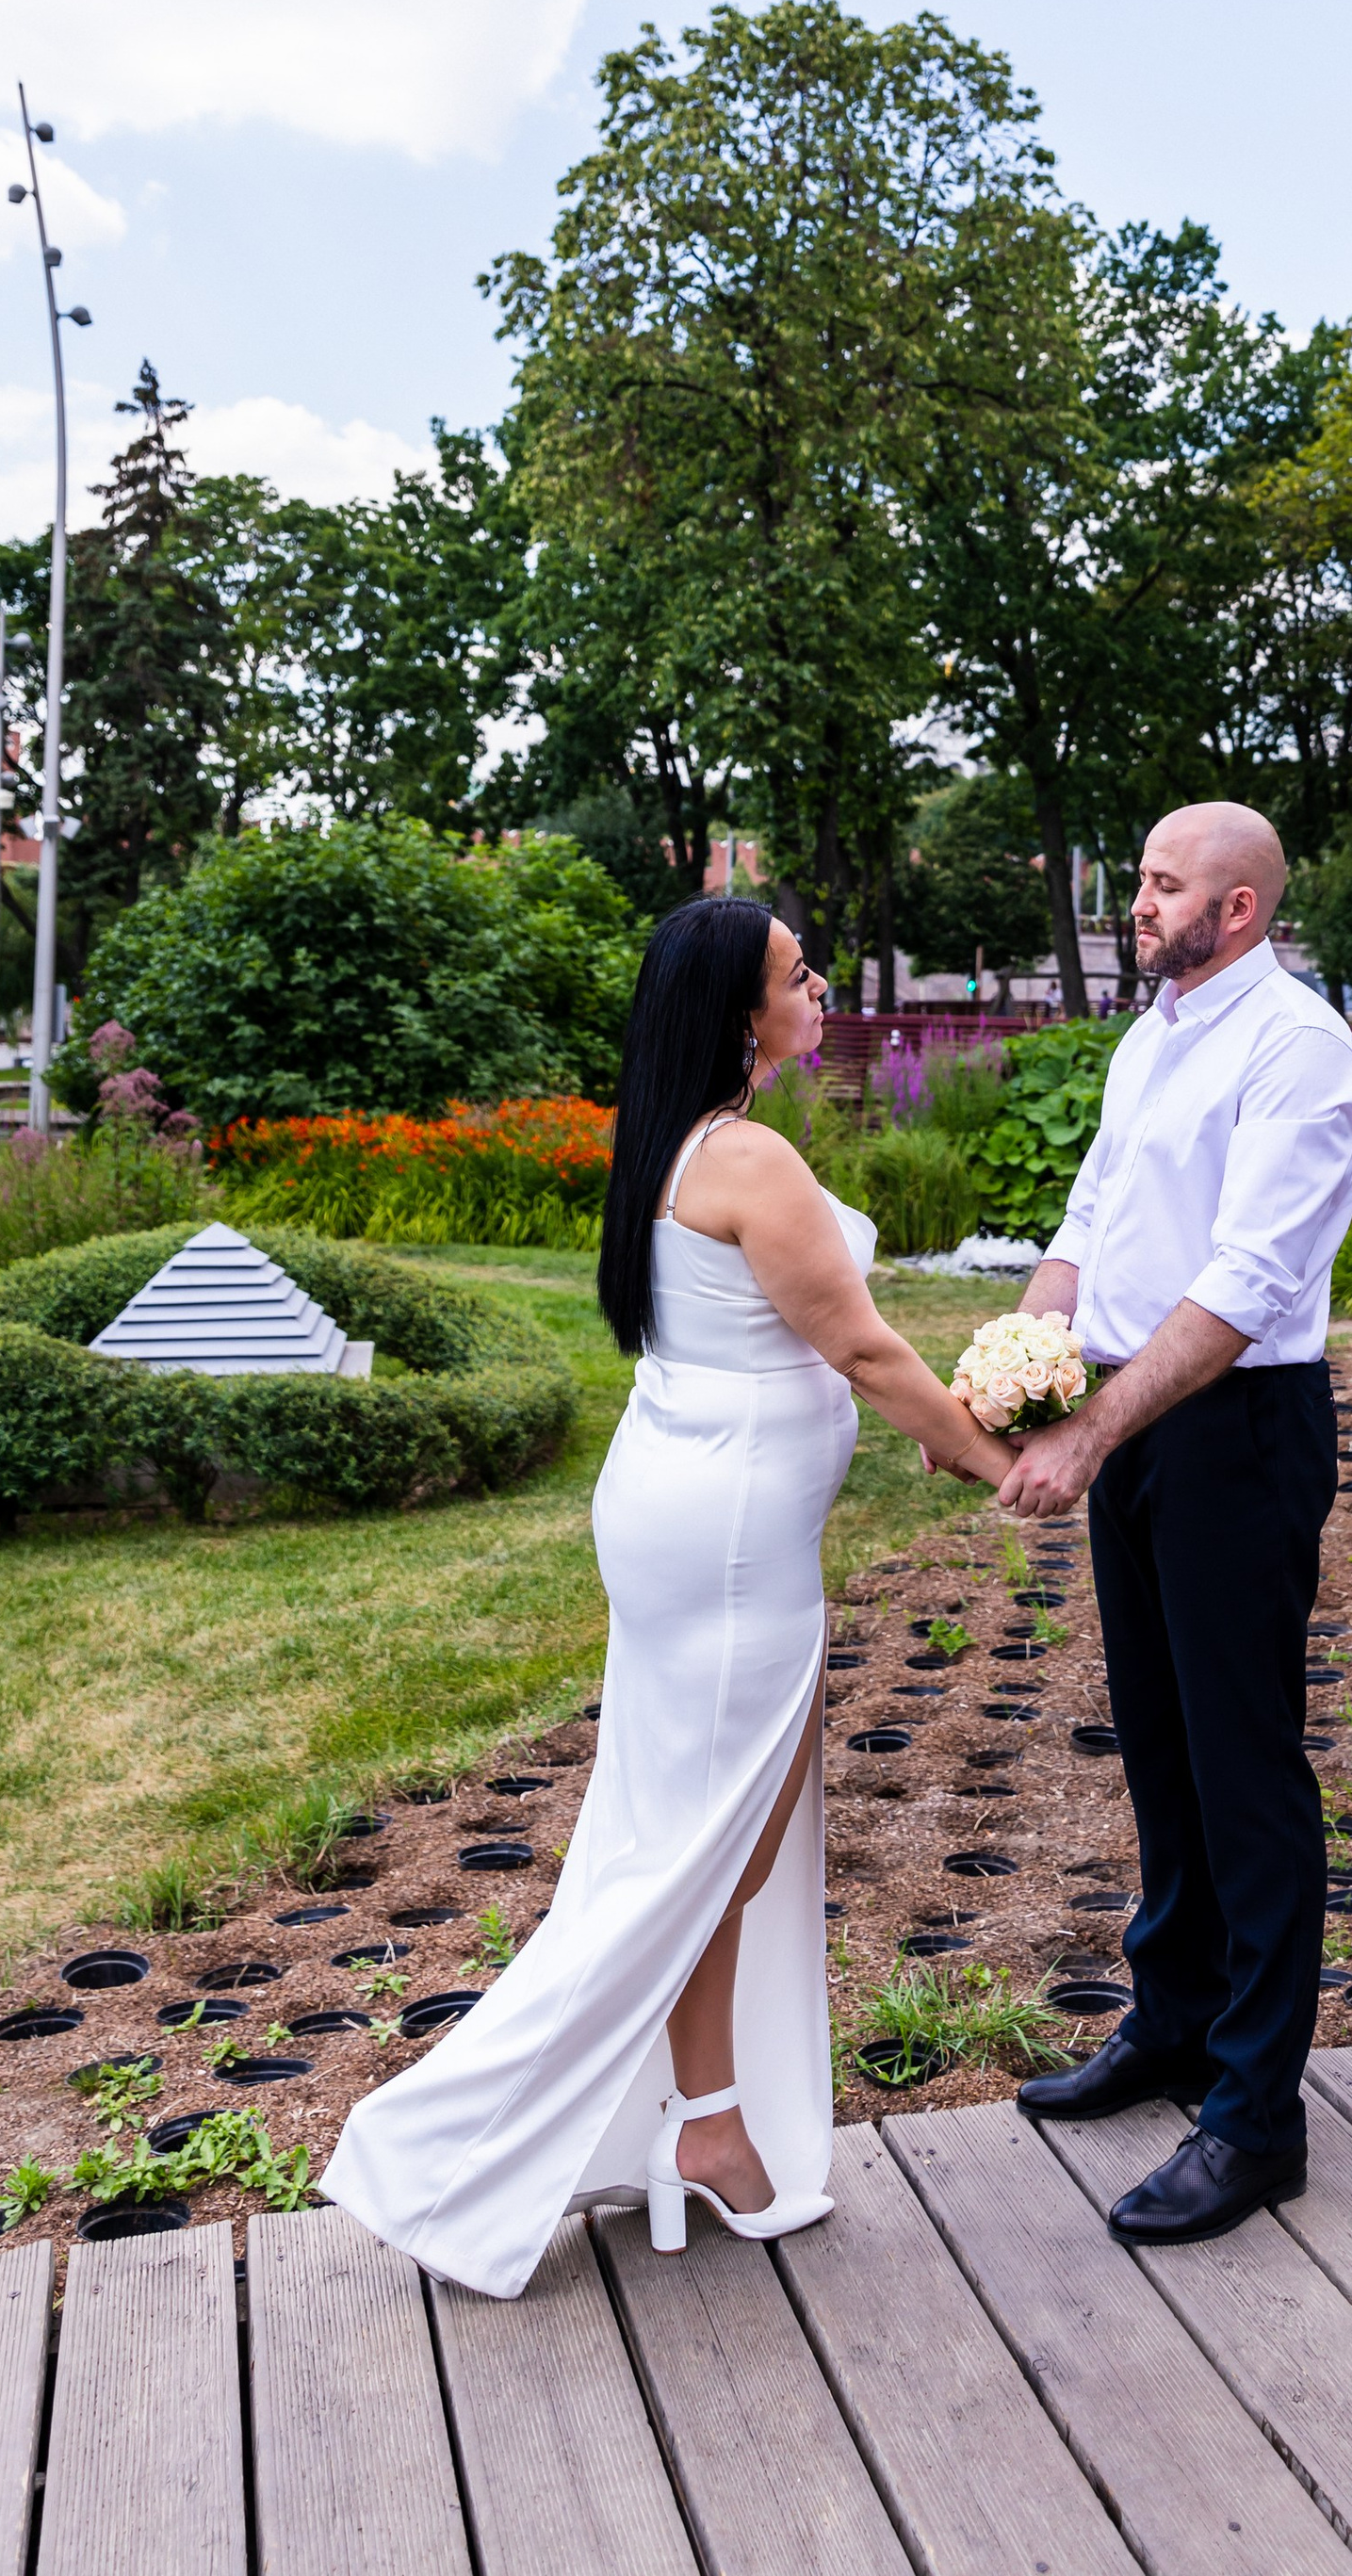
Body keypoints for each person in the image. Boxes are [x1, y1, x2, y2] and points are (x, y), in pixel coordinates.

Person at [322, 896, 1010, 2298]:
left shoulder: (686, 1139)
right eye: (795, 974)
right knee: (696, 1853)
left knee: (711, 1845)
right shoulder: (743, 1154)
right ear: (739, 1016)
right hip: (730, 1540)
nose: (817, 988)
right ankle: (435, 2149)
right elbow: (869, 1350)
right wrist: (996, 1452)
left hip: (698, 1515)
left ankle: (708, 2127)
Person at [999, 802, 1352, 2243]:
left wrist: (1098, 1426)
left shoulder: (1302, 1051)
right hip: (1139, 1407)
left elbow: (1249, 1279)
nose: (1136, 903)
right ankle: (1170, 2020)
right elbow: (1089, 1224)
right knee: (1156, 1739)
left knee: (1245, 1764)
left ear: (1238, 909)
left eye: (1161, 886)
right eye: (1141, 878)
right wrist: (1021, 1370)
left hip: (1234, 1428)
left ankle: (1256, 2115)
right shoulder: (1151, 1033)